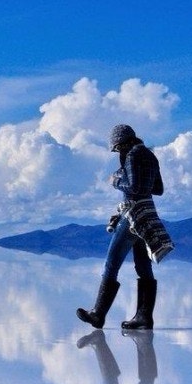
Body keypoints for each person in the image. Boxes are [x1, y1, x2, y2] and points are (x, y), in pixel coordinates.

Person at [76, 124, 172, 330]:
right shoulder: (150, 156)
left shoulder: (132, 156)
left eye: (117, 148)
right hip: (147, 214)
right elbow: (159, 189)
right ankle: (144, 317)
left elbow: (134, 188)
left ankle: (98, 314)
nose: (118, 152)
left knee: (112, 263)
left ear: (123, 142)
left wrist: (116, 181)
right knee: (143, 267)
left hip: (133, 215)